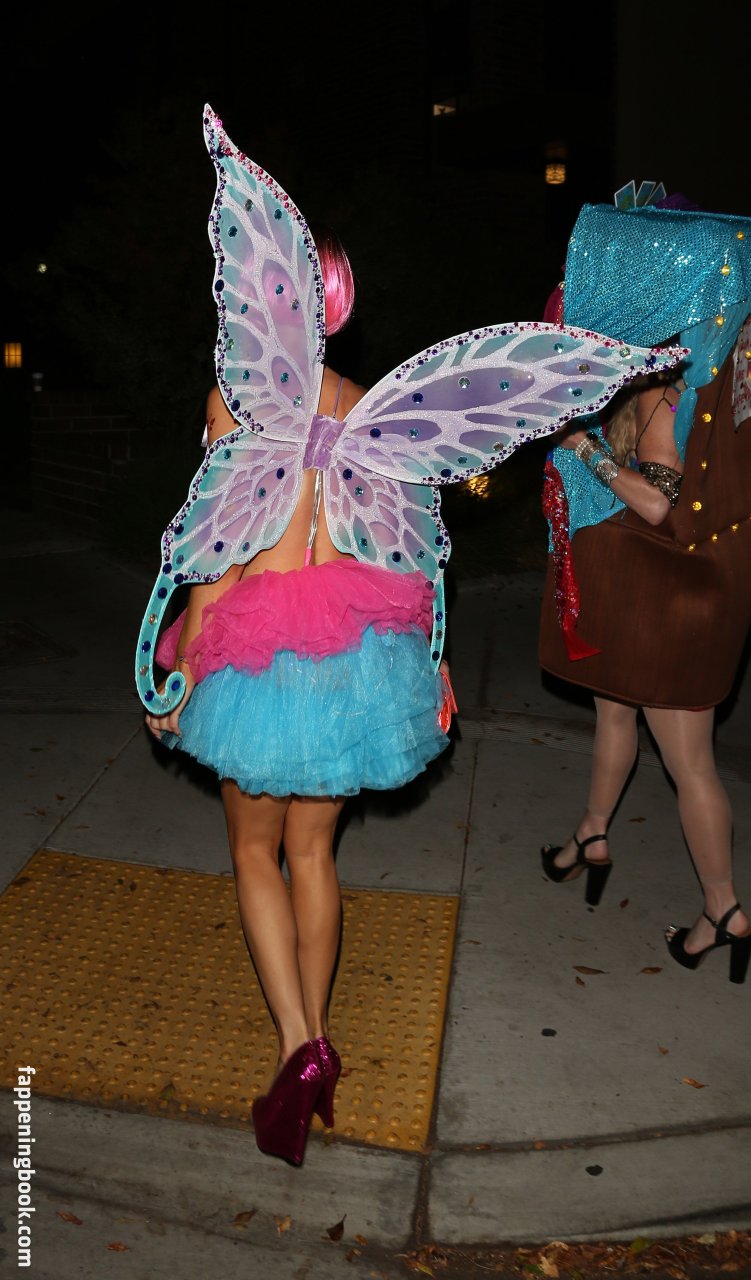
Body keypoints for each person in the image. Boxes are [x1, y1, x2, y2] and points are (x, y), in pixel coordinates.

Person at [144, 223, 455, 1166]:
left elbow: (217, 555)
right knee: (313, 854)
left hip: (260, 647)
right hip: (359, 650)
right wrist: (432, 658)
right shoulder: (367, 405)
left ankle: (298, 1048)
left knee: (253, 849)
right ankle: (319, 1039)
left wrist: (179, 671)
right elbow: (406, 550)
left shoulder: (236, 403)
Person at [538, 190, 751, 985]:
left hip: (662, 597)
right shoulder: (740, 371)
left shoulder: (667, 397)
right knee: (614, 713)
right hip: (686, 587)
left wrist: (585, 449)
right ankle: (591, 836)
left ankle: (724, 910)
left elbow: (656, 502)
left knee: (690, 764)